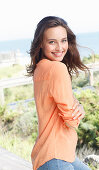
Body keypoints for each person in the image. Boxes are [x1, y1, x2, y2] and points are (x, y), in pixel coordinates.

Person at [27, 16, 91, 170]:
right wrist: (79, 109)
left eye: (63, 40)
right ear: (41, 43)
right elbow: (71, 121)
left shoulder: (40, 68)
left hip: (53, 155)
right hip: (56, 158)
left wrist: (74, 105)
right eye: (52, 42)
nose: (60, 47)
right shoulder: (57, 69)